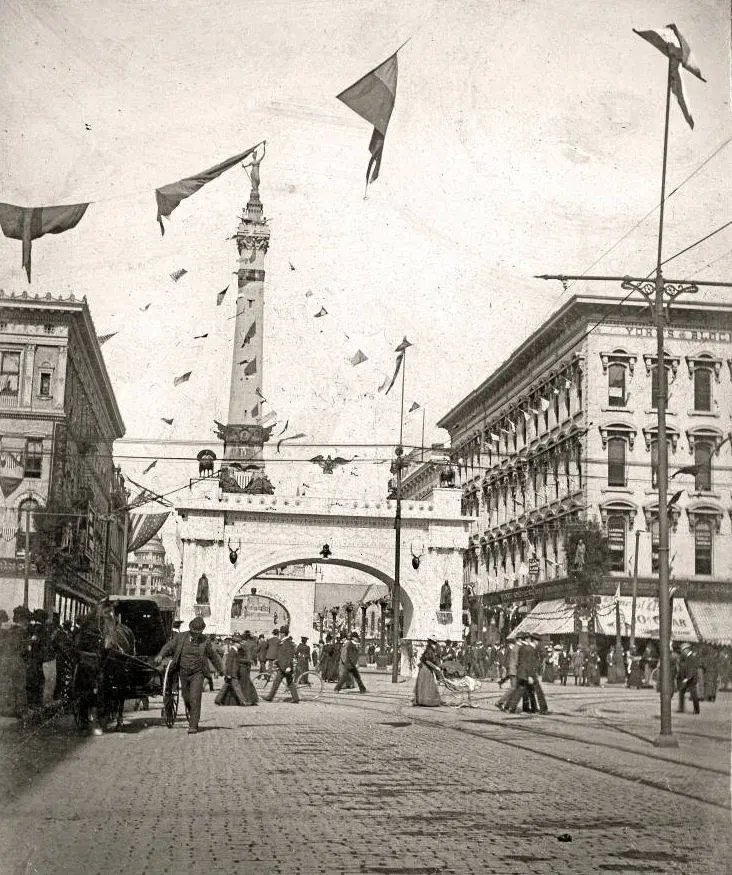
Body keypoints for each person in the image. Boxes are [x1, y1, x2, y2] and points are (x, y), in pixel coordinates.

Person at [156, 617, 224, 734]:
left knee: (195, 698)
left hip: (198, 673)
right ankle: (191, 711)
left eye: (199, 633)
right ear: (190, 629)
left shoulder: (205, 641)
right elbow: (168, 646)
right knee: (186, 697)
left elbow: (213, 656)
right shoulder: (181, 637)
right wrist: (161, 655)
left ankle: (193, 725)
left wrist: (221, 670)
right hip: (183, 672)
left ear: (202, 631)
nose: (196, 635)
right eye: (194, 632)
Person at [262, 626, 300, 704]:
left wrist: (288, 666)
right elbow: (281, 654)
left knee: (284, 682)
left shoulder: (287, 642)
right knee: (285, 682)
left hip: (285, 667)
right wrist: (277, 662)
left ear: (283, 634)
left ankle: (270, 697)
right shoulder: (283, 642)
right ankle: (295, 698)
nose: (279, 634)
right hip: (282, 666)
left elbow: (289, 655)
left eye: (280, 633)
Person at [413, 638, 443, 707]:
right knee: (426, 685)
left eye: (435, 643)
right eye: (433, 643)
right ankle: (426, 701)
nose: (435, 645)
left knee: (427, 685)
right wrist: (436, 667)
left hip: (427, 670)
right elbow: (427, 661)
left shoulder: (430, 650)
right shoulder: (429, 651)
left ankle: (425, 700)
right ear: (431, 643)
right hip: (425, 670)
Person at [677, 644, 700, 715]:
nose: (682, 652)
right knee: (681, 691)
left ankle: (696, 710)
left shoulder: (692, 656)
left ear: (686, 650)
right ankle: (681, 708)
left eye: (682, 650)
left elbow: (692, 669)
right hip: (686, 677)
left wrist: (687, 678)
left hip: (691, 678)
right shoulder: (686, 656)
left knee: (693, 694)